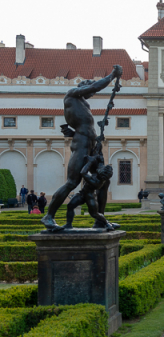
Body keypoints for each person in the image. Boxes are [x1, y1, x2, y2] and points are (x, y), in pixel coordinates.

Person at [42, 65, 123, 231]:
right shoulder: (71, 94)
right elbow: (95, 86)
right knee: (72, 182)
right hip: (81, 145)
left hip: (91, 146)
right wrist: (112, 76)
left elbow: (80, 122)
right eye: (89, 90)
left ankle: (99, 220)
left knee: (104, 181)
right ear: (82, 87)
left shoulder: (84, 104)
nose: (91, 93)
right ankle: (48, 216)